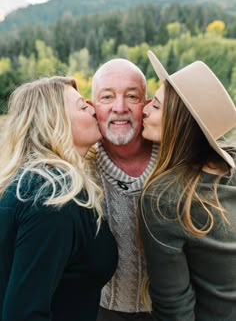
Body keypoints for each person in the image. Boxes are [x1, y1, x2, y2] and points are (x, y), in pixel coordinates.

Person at [0, 76, 118, 321]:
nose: (93, 109)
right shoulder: (51, 199)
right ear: (55, 121)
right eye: (82, 107)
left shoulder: (38, 183)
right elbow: (24, 313)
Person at [140, 50, 236, 320]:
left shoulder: (164, 198)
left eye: (156, 106)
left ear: (181, 121)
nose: (144, 109)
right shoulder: (229, 167)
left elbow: (174, 307)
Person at [90, 58, 158, 321]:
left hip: (174, 311)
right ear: (92, 106)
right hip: (100, 311)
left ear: (147, 104)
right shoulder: (80, 168)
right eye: (107, 97)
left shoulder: (173, 159)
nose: (120, 108)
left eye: (132, 96)